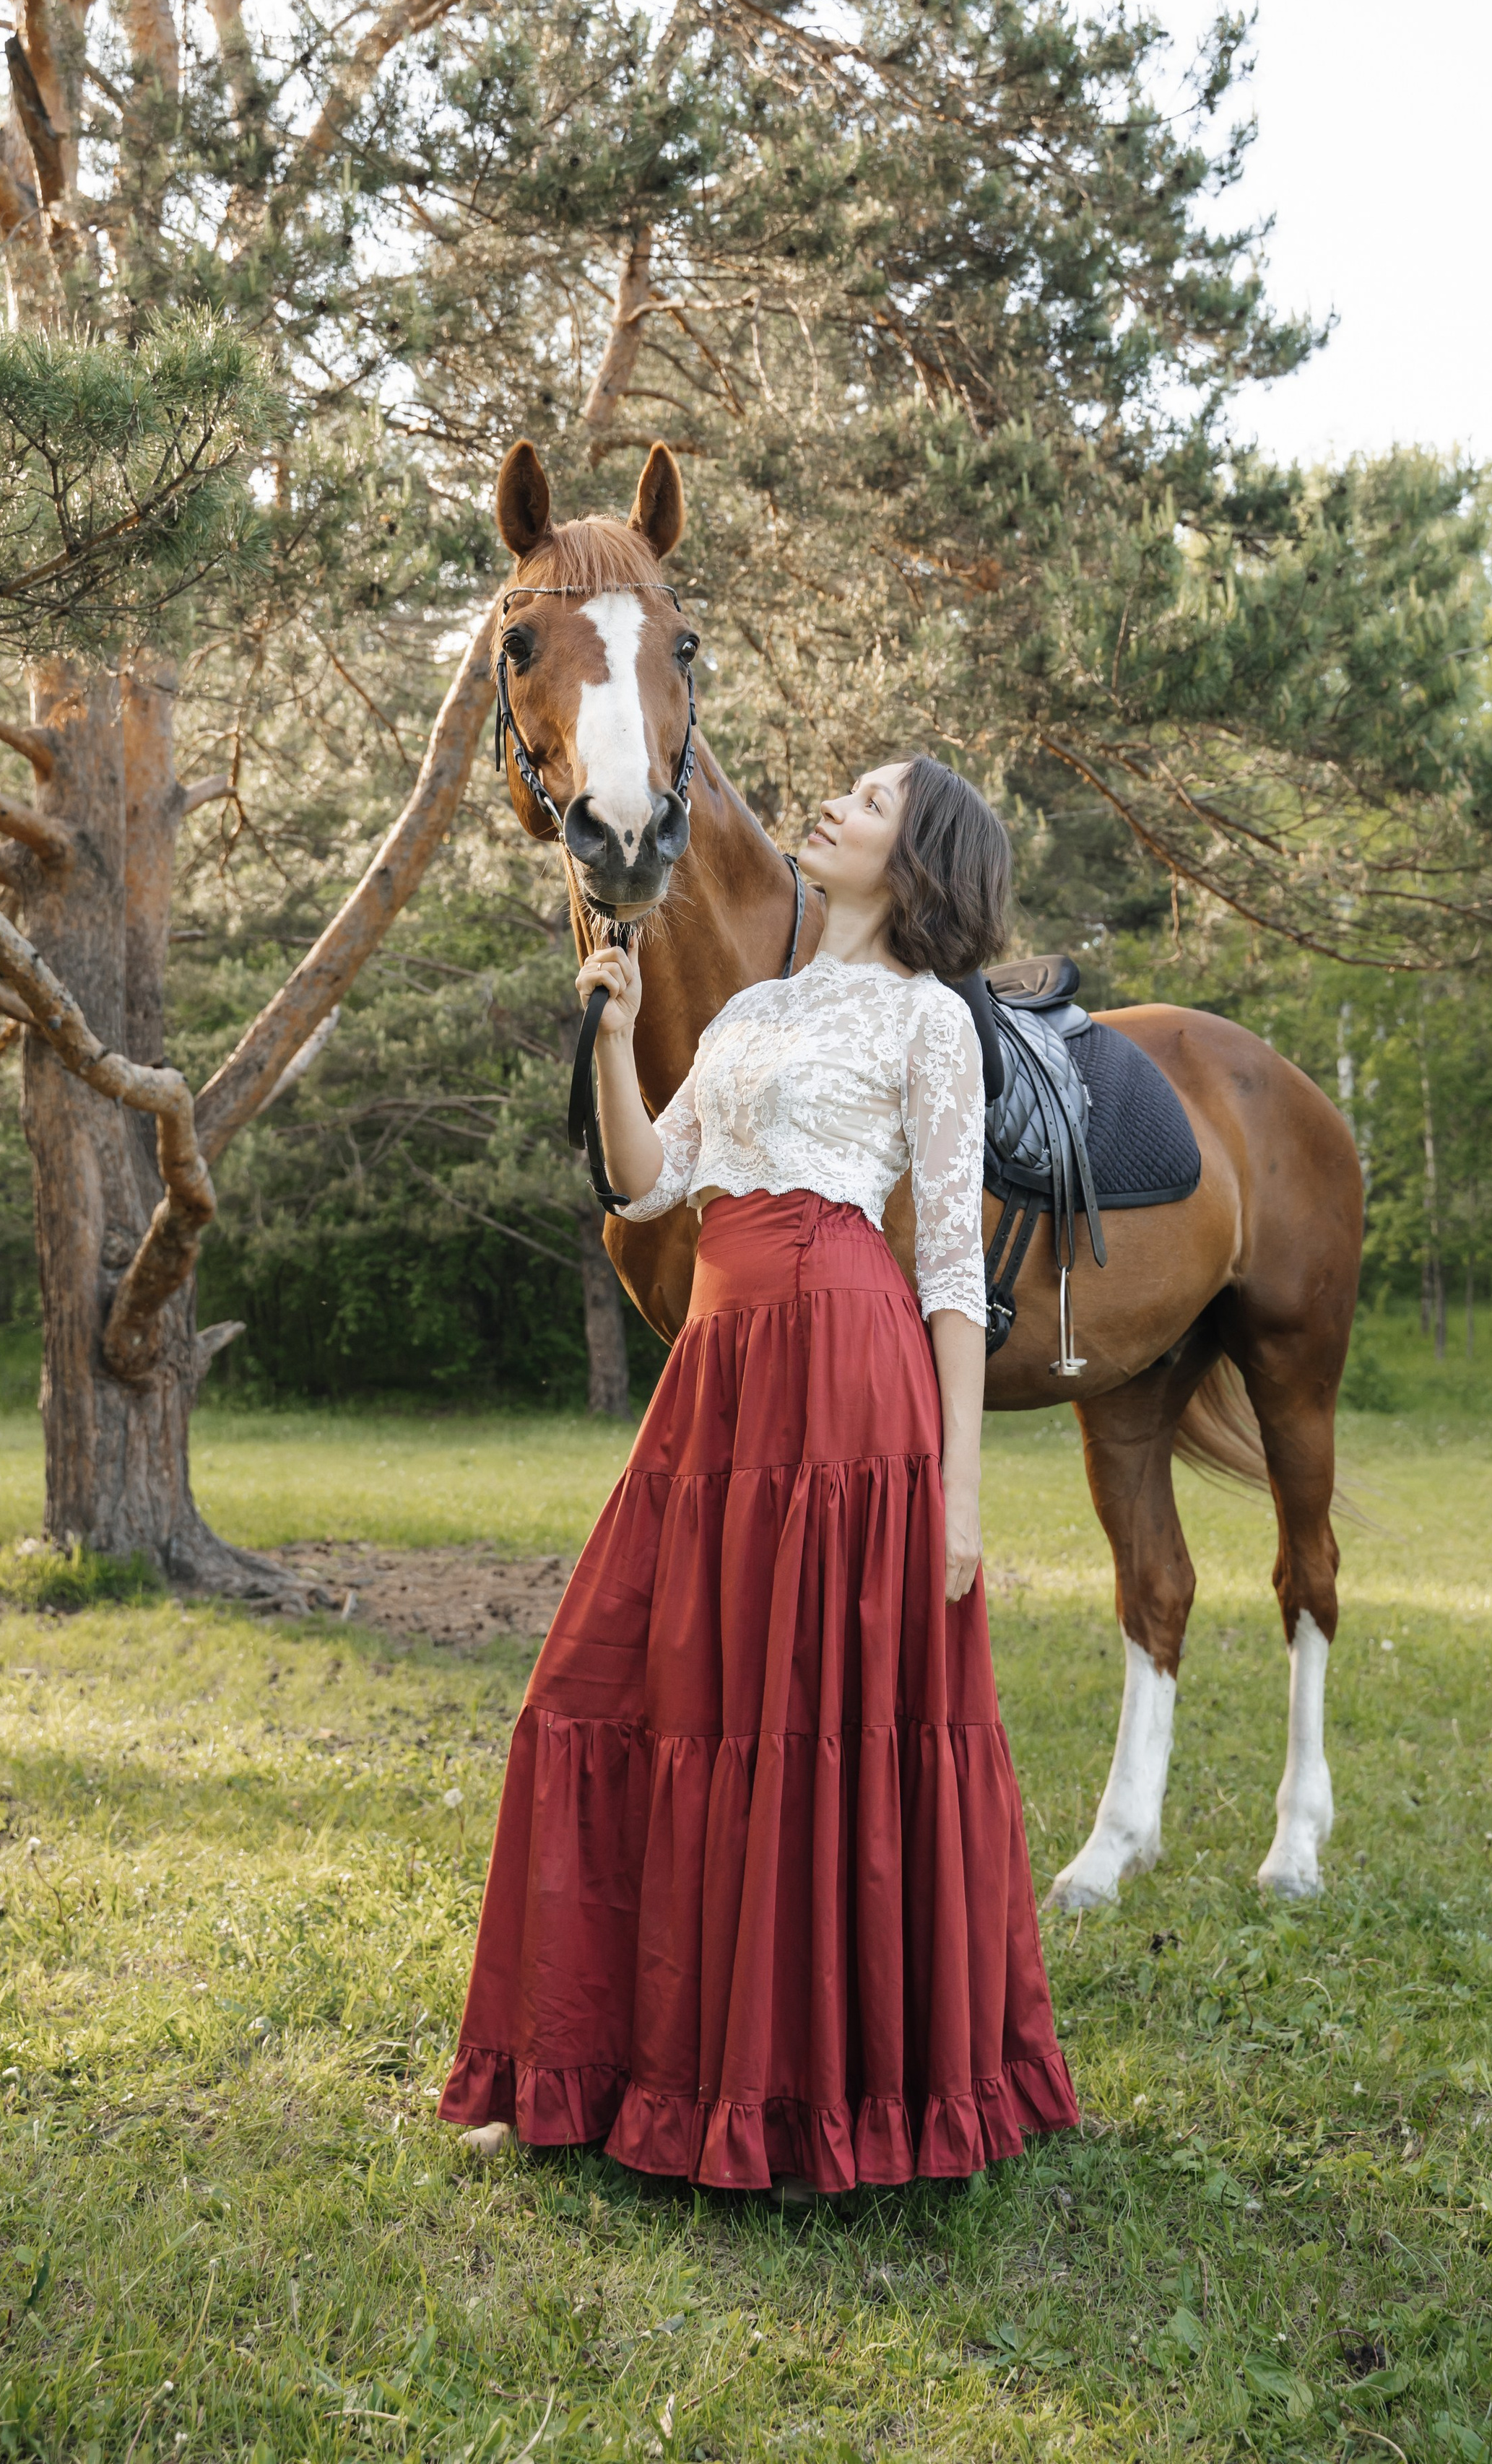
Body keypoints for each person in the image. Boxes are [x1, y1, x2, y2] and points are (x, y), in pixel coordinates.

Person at [438, 755, 1077, 2193]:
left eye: (868, 796)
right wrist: (607, 1034)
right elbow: (645, 1181)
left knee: (816, 1725)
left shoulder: (929, 1023)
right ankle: (576, 2065)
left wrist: (960, 1489)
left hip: (852, 1387)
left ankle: (813, 2106)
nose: (834, 803)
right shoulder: (747, 1011)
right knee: (603, 1690)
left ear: (916, 858)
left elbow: (952, 1271)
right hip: (717, 1385)